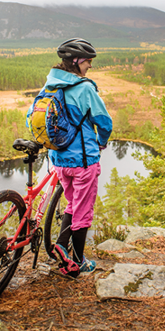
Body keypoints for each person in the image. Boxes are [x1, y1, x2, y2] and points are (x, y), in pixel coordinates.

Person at [42, 38, 112, 279]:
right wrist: (101, 141)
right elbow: (104, 121)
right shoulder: (84, 88)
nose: (90, 66)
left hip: (59, 162)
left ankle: (63, 252)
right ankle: (77, 263)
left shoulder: (51, 84)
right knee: (83, 212)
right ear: (76, 62)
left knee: (73, 205)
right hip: (83, 162)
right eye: (88, 62)